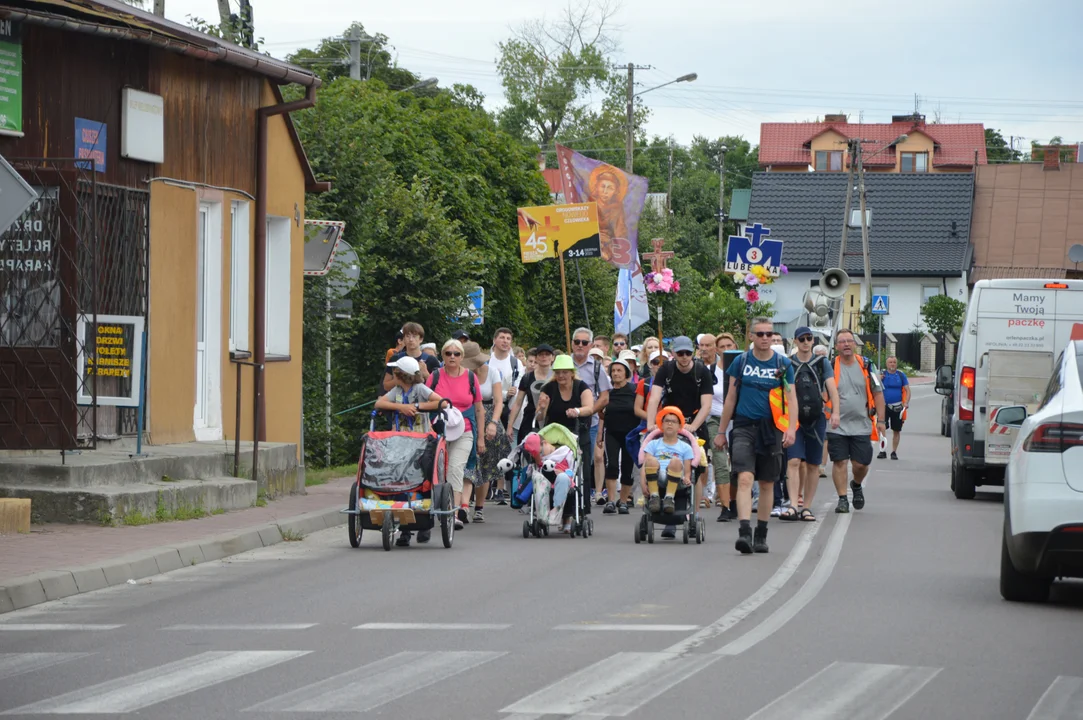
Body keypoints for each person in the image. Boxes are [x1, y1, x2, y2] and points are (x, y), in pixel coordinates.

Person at [716, 317, 797, 555]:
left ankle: (761, 534)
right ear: (751, 336)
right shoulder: (741, 362)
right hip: (743, 426)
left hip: (771, 428)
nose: (765, 338)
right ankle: (744, 532)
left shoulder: (783, 363)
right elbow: (730, 398)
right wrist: (722, 431)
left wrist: (791, 429)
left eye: (769, 334)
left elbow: (791, 398)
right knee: (744, 478)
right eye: (760, 334)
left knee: (767, 482)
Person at [644, 335, 713, 539]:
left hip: (692, 422)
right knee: (664, 463)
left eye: (687, 353)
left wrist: (693, 426)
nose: (684, 357)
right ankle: (669, 518)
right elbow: (655, 396)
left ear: (693, 353)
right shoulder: (667, 370)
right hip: (669, 421)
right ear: (673, 354)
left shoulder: (702, 372)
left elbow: (706, 404)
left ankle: (694, 515)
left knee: (696, 470)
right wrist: (651, 423)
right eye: (680, 353)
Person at [376, 356, 447, 546]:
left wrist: (416, 406)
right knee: (401, 480)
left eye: (395, 373)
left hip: (421, 441)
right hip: (400, 442)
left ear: (401, 375)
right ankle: (405, 530)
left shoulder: (420, 389)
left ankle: (423, 524)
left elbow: (442, 403)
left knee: (421, 479)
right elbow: (379, 404)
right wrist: (401, 407)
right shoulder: (396, 391)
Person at [778, 327, 839, 523]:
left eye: (809, 338)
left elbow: (832, 388)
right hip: (793, 421)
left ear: (813, 340)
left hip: (816, 419)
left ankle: (807, 507)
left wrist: (835, 412)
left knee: (813, 464)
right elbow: (776, 389)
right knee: (794, 461)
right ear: (795, 341)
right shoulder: (787, 363)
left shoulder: (822, 363)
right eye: (802, 339)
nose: (806, 342)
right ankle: (793, 505)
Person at [426, 339, 486, 530]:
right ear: (442, 356)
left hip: (465, 430)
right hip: (439, 431)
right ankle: (438, 506)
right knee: (438, 471)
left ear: (462, 357)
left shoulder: (470, 377)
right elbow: (425, 404)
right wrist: (428, 428)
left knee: (455, 468)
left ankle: (455, 512)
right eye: (448, 353)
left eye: (456, 354)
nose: (452, 357)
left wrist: (481, 437)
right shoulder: (435, 376)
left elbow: (479, 409)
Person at [827, 329, 886, 514]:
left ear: (854, 344)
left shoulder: (867, 366)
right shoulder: (829, 367)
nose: (846, 344)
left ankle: (856, 484)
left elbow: (878, 393)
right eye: (842, 341)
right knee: (840, 462)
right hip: (836, 424)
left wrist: (882, 421)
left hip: (862, 424)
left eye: (849, 341)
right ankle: (843, 499)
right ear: (837, 346)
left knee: (861, 464)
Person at [462, 341, 502, 524]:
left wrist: (493, 422)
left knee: (485, 464)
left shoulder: (492, 372)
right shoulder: (463, 374)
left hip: (487, 417)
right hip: (468, 416)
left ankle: (479, 507)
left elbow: (499, 401)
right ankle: (462, 504)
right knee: (467, 463)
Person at [570, 328, 611, 505]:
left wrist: (589, 411)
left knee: (589, 460)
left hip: (590, 422)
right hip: (565, 420)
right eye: (577, 342)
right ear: (572, 343)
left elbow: (604, 396)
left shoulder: (596, 367)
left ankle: (588, 497)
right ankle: (569, 494)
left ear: (591, 345)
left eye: (584, 343)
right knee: (566, 458)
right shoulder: (563, 364)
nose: (580, 345)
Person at [597, 358, 638, 514]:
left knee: (627, 468)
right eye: (613, 371)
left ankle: (623, 502)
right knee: (612, 465)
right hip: (612, 432)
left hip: (630, 435)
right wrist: (600, 434)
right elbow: (601, 413)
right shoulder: (607, 393)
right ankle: (611, 501)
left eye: (619, 370)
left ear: (627, 373)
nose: (616, 373)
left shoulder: (634, 390)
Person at [488, 327, 522, 504]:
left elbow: (520, 387)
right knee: (487, 447)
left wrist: (512, 392)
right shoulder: (487, 362)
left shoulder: (515, 363)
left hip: (508, 410)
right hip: (489, 408)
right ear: (494, 340)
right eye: (502, 337)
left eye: (509, 338)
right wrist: (500, 392)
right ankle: (487, 486)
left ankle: (501, 488)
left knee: (504, 448)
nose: (505, 341)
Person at [642, 407, 695, 516]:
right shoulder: (653, 444)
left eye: (673, 421)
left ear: (679, 426)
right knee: (651, 460)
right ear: (661, 424)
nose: (670, 424)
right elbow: (645, 465)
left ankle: (669, 498)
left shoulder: (685, 447)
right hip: (656, 476)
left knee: (675, 461)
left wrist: (687, 478)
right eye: (667, 421)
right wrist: (643, 483)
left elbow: (688, 470)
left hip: (677, 477)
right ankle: (654, 497)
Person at [506, 344, 555, 444]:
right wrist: (510, 425)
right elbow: (518, 403)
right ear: (536, 357)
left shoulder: (557, 377)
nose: (544, 357)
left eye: (547, 354)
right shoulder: (527, 377)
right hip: (529, 422)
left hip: (551, 421)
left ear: (552, 357)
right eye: (541, 354)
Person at [383, 322, 440, 392]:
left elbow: (439, 388)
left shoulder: (431, 360)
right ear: (403, 339)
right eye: (407, 336)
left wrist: (426, 374)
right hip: (400, 401)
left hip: (424, 401)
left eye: (414, 336)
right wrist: (398, 380)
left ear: (421, 339)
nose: (411, 340)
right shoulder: (396, 359)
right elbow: (385, 386)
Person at [879, 356, 910, 460]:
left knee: (896, 430)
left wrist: (906, 402)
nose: (892, 364)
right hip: (884, 406)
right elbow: (873, 387)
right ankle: (882, 451)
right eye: (890, 362)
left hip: (897, 407)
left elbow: (907, 390)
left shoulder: (901, 375)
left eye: (894, 362)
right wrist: (879, 379)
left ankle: (893, 452)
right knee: (882, 428)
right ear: (887, 364)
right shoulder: (882, 374)